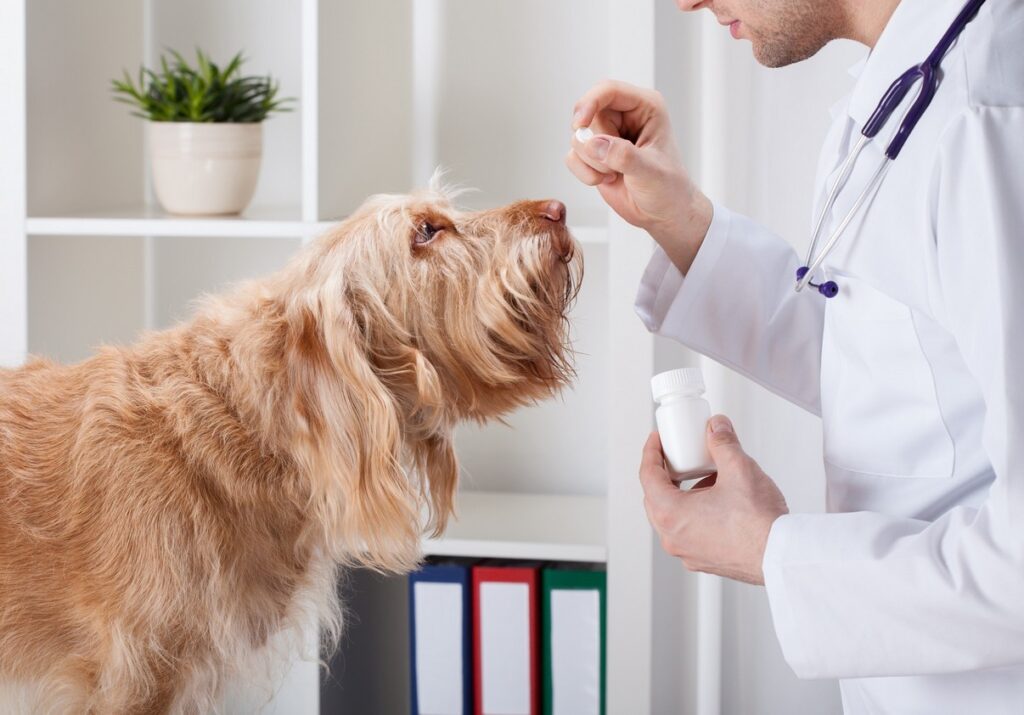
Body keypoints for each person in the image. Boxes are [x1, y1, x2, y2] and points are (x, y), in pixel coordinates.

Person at [567, 0, 1024, 712]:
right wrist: (681, 219)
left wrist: (769, 551)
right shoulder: (911, 85)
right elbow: (899, 367)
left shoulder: (990, 117)